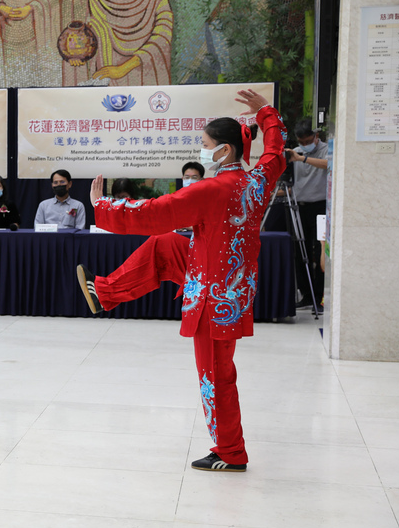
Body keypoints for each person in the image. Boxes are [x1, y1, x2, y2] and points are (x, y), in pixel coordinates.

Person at [75, 88, 286, 473]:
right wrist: (266, 113)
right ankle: (104, 292)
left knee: (216, 374)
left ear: (223, 151)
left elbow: (154, 211)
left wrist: (102, 206)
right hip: (223, 278)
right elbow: (275, 151)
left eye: (204, 145)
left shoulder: (211, 189)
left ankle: (230, 452)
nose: (201, 151)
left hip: (214, 296)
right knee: (164, 244)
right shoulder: (259, 179)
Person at [287, 118, 329, 309]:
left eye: (308, 141)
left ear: (316, 136)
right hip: (299, 207)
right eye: (301, 142)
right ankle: (305, 294)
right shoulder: (295, 152)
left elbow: (329, 164)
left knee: (320, 251)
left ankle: (319, 296)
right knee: (299, 251)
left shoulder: (326, 149)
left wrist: (301, 158)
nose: (305, 145)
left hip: (321, 207)